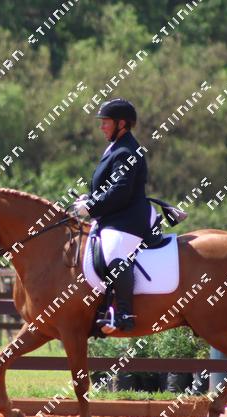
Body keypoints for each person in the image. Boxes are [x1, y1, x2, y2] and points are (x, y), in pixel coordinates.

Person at [73, 98, 155, 333]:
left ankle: (124, 314)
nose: (101, 127)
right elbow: (107, 187)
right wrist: (89, 198)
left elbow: (120, 191)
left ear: (122, 123)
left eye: (106, 122)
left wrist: (91, 207)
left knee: (112, 253)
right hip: (115, 218)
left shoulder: (127, 151)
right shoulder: (116, 147)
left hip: (129, 220)